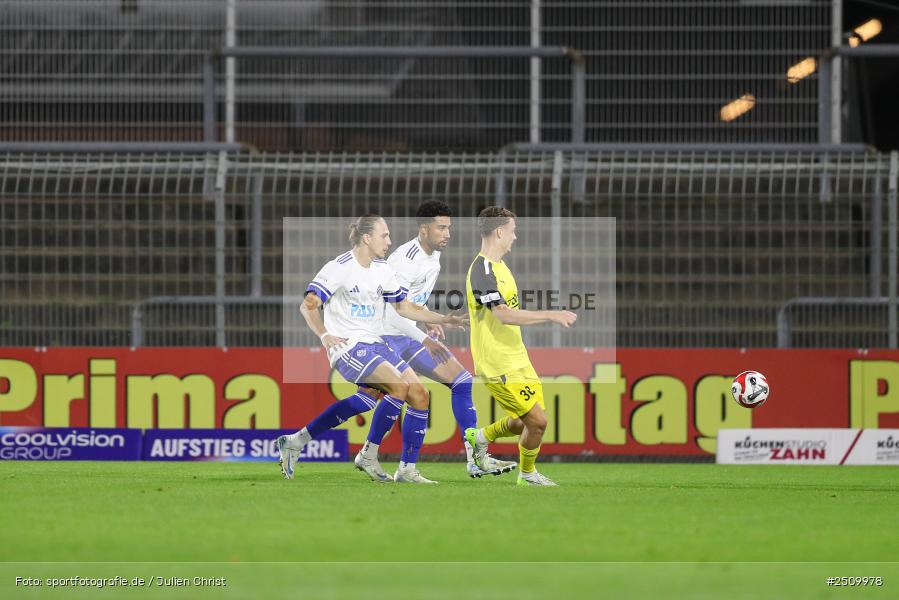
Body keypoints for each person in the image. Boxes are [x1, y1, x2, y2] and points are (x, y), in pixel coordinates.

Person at [277, 214, 467, 484]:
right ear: (367, 238)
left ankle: (406, 470)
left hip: (376, 343)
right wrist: (325, 334)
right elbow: (307, 305)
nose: (389, 241)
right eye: (384, 235)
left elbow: (404, 307)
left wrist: (441, 318)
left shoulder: (382, 269)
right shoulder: (339, 267)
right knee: (398, 387)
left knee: (419, 394)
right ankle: (369, 455)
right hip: (348, 346)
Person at [355, 201, 517, 481]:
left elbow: (409, 301)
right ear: (424, 229)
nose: (447, 233)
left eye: (449, 227)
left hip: (406, 334)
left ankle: (473, 458)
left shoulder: (432, 256)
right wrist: (424, 336)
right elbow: (393, 313)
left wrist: (428, 319)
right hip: (387, 336)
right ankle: (370, 453)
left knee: (461, 381)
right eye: (441, 227)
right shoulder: (405, 261)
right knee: (393, 395)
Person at [463, 207, 577, 486]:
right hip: (497, 363)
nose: (515, 236)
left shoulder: (501, 267)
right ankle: (527, 475)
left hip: (517, 358)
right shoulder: (482, 269)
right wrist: (551, 314)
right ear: (499, 231)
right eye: (512, 231)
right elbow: (502, 314)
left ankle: (478, 438)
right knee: (538, 422)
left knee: (523, 420)